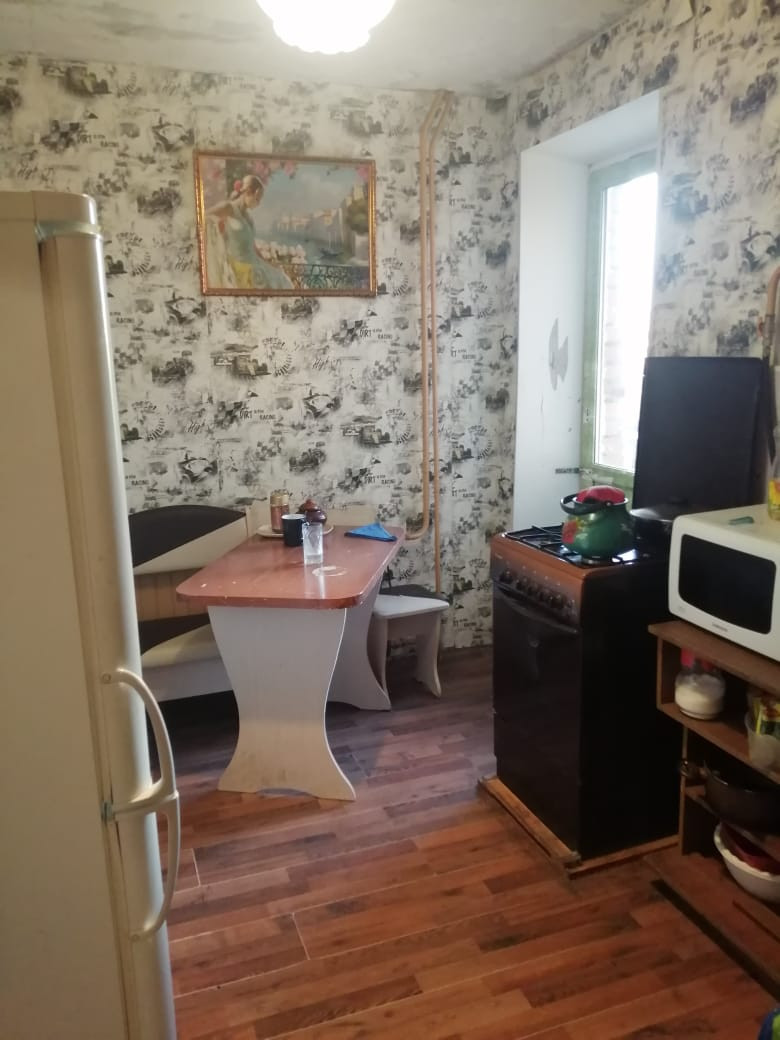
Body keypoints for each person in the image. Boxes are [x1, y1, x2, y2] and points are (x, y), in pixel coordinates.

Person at [206, 174, 293, 290]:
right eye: (257, 198)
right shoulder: (229, 208)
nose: (259, 203)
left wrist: (269, 263)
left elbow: (253, 247)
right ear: (248, 192)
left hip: (254, 264)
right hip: (239, 266)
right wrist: (217, 227)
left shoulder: (249, 219)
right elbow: (204, 217)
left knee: (280, 278)